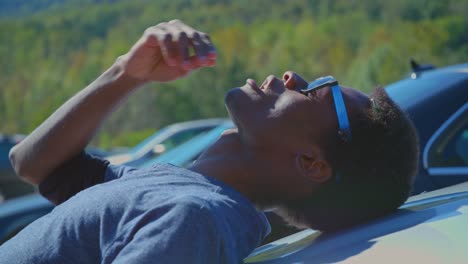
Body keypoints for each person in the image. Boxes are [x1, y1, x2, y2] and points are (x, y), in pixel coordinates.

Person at [1, 20, 419, 263]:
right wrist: (128, 72)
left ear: (312, 163)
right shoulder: (177, 192)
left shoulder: (193, 219)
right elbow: (33, 164)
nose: (292, 76)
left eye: (315, 90)